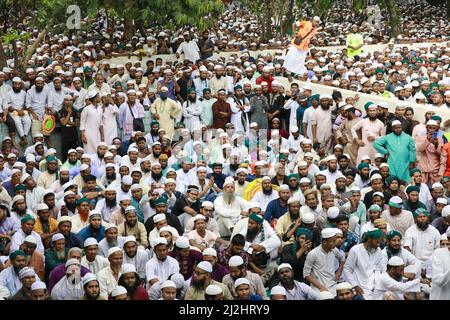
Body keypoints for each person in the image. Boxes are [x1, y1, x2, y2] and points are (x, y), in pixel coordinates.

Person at [343, 228, 384, 300]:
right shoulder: (355, 250)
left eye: (380, 242)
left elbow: (378, 269)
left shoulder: (378, 250)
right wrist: (355, 286)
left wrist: (378, 285)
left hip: (374, 287)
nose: (378, 244)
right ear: (369, 239)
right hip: (359, 287)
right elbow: (347, 269)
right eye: (377, 242)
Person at [303, 228, 344, 296]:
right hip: (318, 289)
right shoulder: (313, 254)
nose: (336, 242)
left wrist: (338, 273)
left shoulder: (334, 250)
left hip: (332, 286)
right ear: (325, 242)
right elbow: (306, 275)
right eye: (333, 241)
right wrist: (321, 287)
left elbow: (342, 259)